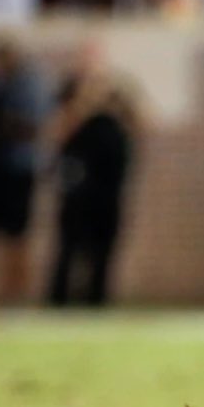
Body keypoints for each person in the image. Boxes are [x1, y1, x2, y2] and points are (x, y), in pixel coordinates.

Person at [46, 41, 144, 307]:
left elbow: (141, 123)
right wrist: (82, 105)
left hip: (108, 188)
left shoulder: (117, 100)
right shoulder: (71, 99)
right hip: (79, 189)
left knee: (103, 248)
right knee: (70, 245)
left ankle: (95, 300)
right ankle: (60, 300)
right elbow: (58, 136)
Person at [0, 35, 52, 304]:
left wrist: (5, 125)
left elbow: (33, 127)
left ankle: (15, 294)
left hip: (19, 169)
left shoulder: (29, 86)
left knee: (17, 236)